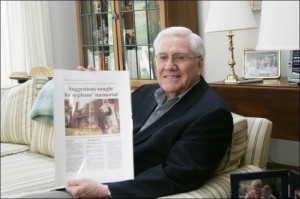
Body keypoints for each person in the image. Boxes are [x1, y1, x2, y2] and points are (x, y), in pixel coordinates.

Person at [21, 26, 233, 198]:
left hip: (120, 191)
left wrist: (107, 191)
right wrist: (99, 90)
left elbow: (179, 174)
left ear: (199, 64)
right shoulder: (146, 92)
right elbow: (108, 128)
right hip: (88, 178)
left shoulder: (212, 113)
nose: (169, 66)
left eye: (179, 57)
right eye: (162, 57)